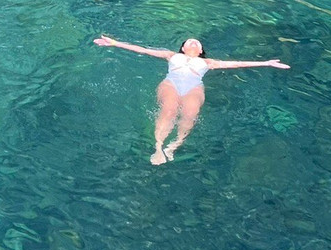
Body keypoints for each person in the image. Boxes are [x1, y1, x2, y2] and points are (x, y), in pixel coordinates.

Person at [94, 35, 290, 164]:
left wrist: (266, 63)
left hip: (193, 88)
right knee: (168, 110)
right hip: (170, 83)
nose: (193, 42)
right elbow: (142, 50)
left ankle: (174, 145)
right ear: (182, 48)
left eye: (196, 42)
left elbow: (237, 64)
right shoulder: (170, 55)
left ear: (201, 49)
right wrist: (115, 43)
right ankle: (158, 146)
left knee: (190, 114)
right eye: (189, 41)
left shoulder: (208, 62)